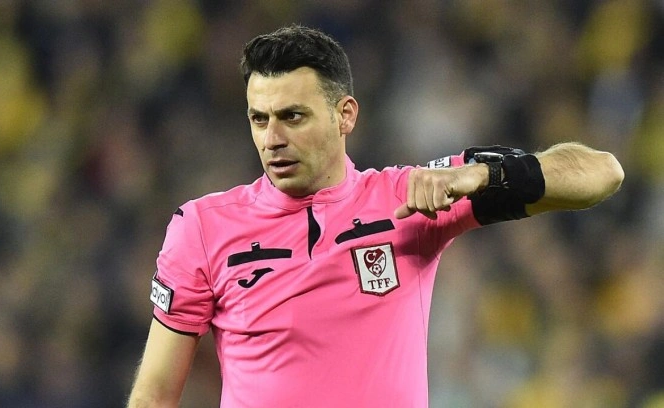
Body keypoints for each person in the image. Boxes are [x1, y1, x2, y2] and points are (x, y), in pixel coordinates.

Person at [127, 25, 624, 408]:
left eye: (293, 116)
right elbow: (154, 395)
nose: (272, 138)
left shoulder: (411, 198)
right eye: (260, 119)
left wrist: (483, 174)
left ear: (345, 115)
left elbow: (602, 174)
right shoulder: (202, 227)